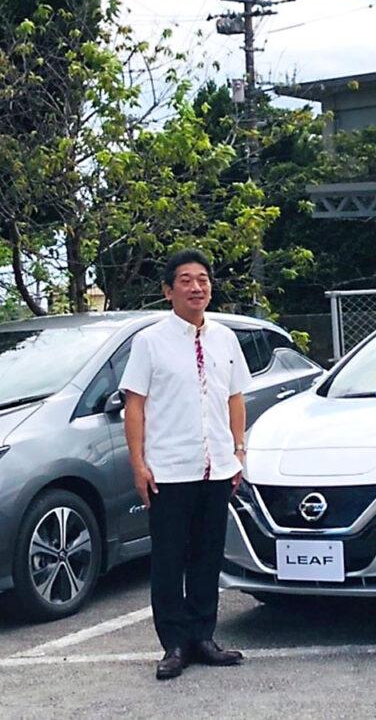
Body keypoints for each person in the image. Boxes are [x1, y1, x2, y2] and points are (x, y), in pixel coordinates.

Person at [120, 249, 252, 680]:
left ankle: (203, 636)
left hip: (216, 467)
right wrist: (139, 464)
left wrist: (238, 451)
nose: (197, 287)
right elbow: (134, 406)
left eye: (203, 279)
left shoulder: (225, 338)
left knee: (207, 554)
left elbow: (235, 398)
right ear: (168, 290)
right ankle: (174, 643)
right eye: (186, 280)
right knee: (169, 558)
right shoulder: (150, 342)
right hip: (170, 469)